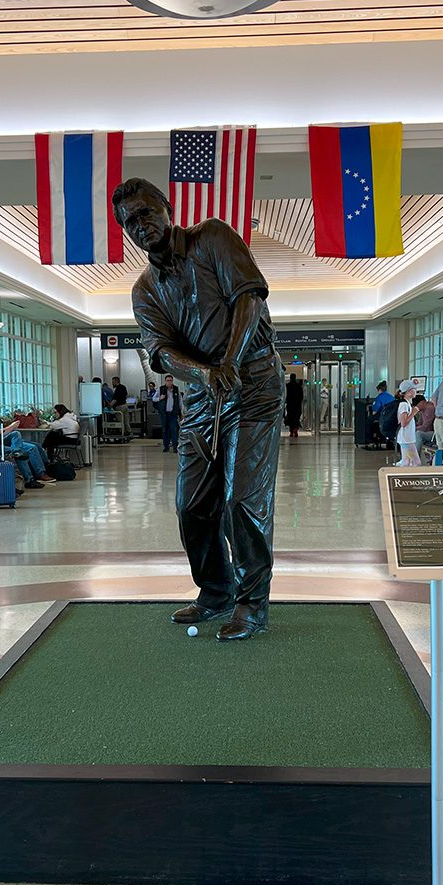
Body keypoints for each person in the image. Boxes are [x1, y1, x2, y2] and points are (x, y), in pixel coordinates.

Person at [113, 176, 283, 641]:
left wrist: (229, 361)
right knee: (191, 504)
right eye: (130, 222)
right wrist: (206, 374)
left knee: (241, 500)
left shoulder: (212, 236)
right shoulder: (145, 289)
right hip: (200, 399)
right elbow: (161, 353)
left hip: (254, 386)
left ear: (167, 207)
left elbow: (248, 296)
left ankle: (252, 603)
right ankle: (215, 591)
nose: (140, 225)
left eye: (147, 212)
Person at [0, 402, 49, 488]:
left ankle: (42, 471)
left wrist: (8, 426)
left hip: (7, 441)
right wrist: (11, 426)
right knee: (19, 438)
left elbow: (2, 431)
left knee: (34, 446)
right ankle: (31, 476)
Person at [152, 374, 183, 452]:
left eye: (170, 380)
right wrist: (160, 398)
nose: (169, 382)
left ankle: (175, 447)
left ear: (172, 381)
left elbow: (180, 401)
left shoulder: (176, 389)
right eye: (167, 380)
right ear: (165, 381)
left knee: (174, 430)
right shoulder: (161, 389)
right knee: (165, 430)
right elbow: (153, 398)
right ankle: (166, 447)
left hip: (173, 414)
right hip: (164, 414)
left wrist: (181, 412)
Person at [396, 380, 422, 466]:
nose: (416, 391)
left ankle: (404, 478)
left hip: (407, 439)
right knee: (416, 462)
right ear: (408, 391)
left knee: (407, 462)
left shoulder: (407, 404)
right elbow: (403, 423)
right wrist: (414, 412)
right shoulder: (404, 405)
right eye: (414, 389)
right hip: (406, 439)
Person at [285, 372, 303, 438]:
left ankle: (291, 430)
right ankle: (296, 429)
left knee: (291, 418)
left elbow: (285, 395)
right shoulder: (299, 386)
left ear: (290, 378)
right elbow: (301, 396)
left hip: (290, 405)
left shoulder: (287, 386)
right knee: (296, 418)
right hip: (297, 405)